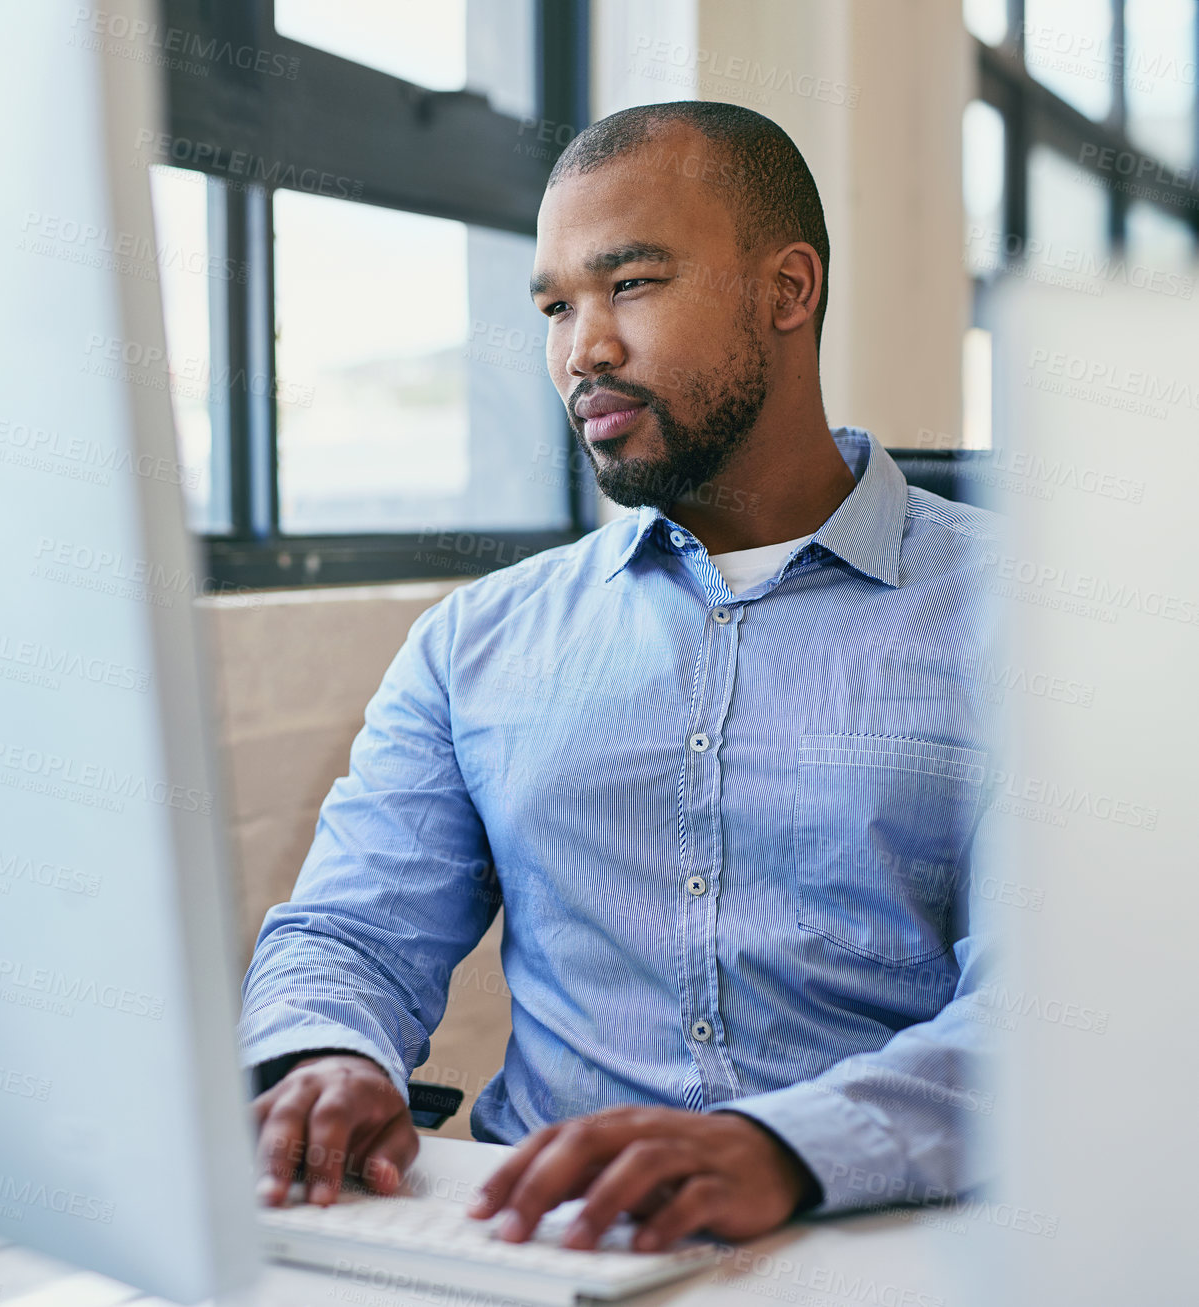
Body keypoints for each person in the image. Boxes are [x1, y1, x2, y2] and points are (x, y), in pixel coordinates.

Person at [239, 100, 998, 1253]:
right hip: (539, 1240)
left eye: (630, 284)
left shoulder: (1041, 624)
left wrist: (781, 1146)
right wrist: (324, 1053)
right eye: (555, 305)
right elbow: (349, 933)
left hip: (885, 1245)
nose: (582, 347)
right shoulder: (473, 642)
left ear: (788, 291)